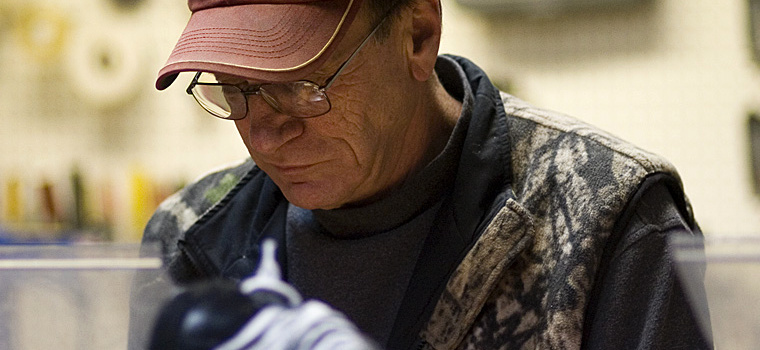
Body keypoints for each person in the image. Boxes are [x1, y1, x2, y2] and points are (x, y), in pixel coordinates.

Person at [134, 0, 712, 348]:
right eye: (234, 90)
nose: (263, 134)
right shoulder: (189, 240)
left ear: (417, 34)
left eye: (302, 87)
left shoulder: (605, 223)